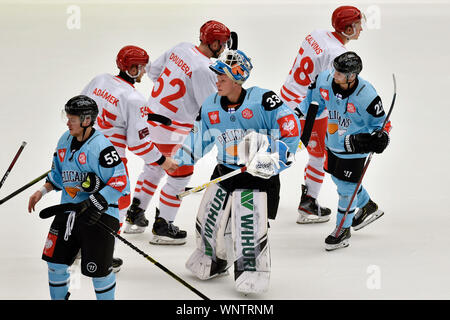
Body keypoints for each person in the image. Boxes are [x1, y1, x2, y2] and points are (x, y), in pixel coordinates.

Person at [173, 49, 300, 293]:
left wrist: (273, 159)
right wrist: (180, 159)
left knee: (248, 226)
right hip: (225, 170)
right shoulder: (210, 104)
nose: (217, 82)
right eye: (217, 77)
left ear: (237, 79)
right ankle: (213, 260)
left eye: (223, 78)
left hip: (258, 175)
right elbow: (198, 136)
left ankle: (252, 270)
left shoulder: (263, 100)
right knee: (209, 219)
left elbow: (289, 129)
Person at [127, 20, 232, 245]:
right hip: (171, 130)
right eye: (222, 43)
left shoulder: (181, 47)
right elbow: (210, 106)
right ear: (213, 43)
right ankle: (163, 225)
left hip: (148, 119)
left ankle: (134, 213)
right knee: (180, 174)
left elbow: (154, 73)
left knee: (153, 167)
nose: (223, 48)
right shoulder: (205, 69)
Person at [80, 45, 178, 270]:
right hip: (111, 160)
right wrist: (164, 161)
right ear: (133, 68)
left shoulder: (100, 80)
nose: (144, 72)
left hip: (84, 151)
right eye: (141, 68)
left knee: (82, 198)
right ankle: (102, 257)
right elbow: (138, 144)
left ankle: (76, 248)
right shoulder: (134, 98)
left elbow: (80, 106)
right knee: (118, 204)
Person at [28, 95, 130, 299]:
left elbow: (121, 182)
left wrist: (95, 203)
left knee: (98, 272)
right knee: (55, 264)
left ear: (86, 120)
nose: (68, 122)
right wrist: (42, 191)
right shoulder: (64, 140)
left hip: (100, 216)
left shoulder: (102, 147)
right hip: (68, 212)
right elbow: (58, 174)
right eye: (67, 117)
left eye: (72, 118)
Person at [280, 5, 364, 224]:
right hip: (309, 110)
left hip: (286, 98)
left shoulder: (317, 34)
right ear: (347, 28)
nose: (361, 28)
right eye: (357, 24)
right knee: (318, 156)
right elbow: (330, 88)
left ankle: (238, 184)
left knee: (275, 151)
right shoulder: (339, 54)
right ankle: (308, 203)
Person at [299, 51, 390, 251]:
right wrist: (298, 113)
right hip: (333, 142)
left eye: (340, 73)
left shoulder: (366, 95)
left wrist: (381, 137)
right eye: (335, 70)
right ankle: (367, 206)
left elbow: (381, 124)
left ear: (352, 76)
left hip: (355, 147)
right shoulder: (325, 79)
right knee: (339, 179)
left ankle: (342, 230)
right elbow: (313, 101)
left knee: (346, 190)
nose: (334, 74)